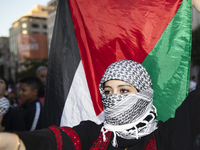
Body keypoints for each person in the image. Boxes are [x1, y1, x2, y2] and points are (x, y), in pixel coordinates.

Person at [0, 60, 199, 150]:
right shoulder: (94, 134)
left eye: (123, 91)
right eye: (107, 91)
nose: (113, 98)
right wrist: (10, 141)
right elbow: (52, 140)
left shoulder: (168, 136)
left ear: (144, 94)